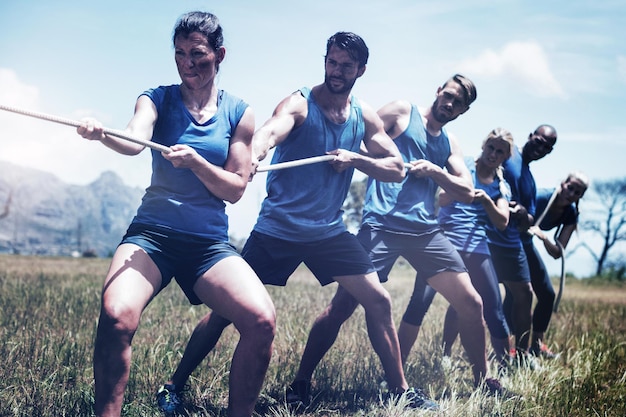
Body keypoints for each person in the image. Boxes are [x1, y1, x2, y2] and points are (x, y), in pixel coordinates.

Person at [159, 32, 439, 411]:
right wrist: (252, 156)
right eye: (332, 62)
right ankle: (174, 384)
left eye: (346, 65)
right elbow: (270, 132)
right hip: (279, 230)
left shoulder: (363, 115)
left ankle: (398, 390)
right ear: (325, 61)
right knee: (225, 313)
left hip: (329, 232)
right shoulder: (300, 103)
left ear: (361, 69)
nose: (337, 71)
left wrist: (356, 159)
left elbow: (395, 168)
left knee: (378, 300)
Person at [76, 11, 276, 417]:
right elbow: (135, 139)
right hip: (152, 237)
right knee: (117, 317)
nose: (188, 63)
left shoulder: (240, 112)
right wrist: (105, 135)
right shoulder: (157, 98)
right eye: (180, 54)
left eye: (197, 54)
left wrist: (198, 164)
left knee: (261, 321)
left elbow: (236, 188)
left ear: (219, 55)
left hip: (208, 245)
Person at [288, 74, 507, 396]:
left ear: (463, 110)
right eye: (448, 95)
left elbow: (466, 190)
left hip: (425, 232)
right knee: (343, 306)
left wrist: (435, 171)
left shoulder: (450, 142)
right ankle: (301, 381)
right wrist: (370, 162)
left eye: (458, 102)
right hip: (381, 226)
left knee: (472, 303)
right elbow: (360, 134)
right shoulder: (403, 112)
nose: (449, 103)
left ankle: (483, 383)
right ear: (438, 90)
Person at [408, 128, 515, 368]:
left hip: (477, 246)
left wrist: (486, 200)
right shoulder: (463, 166)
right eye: (491, 148)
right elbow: (442, 199)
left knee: (493, 308)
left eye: (500, 152)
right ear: (484, 146)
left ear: (505, 157)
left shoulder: (501, 185)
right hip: (443, 239)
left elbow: (502, 222)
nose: (493, 154)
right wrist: (462, 191)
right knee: (420, 302)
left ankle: (506, 365)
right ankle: (440, 357)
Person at [487, 124, 557, 364]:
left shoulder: (530, 179)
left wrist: (524, 213)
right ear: (530, 136)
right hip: (489, 236)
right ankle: (447, 354)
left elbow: (529, 220)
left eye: (547, 147)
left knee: (524, 294)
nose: (541, 148)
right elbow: (487, 175)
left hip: (513, 242)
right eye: (539, 141)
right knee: (475, 295)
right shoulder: (508, 153)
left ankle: (521, 354)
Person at [525, 171, 589, 358]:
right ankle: (513, 346)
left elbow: (557, 253)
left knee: (547, 294)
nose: (571, 194)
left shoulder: (571, 214)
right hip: (514, 240)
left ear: (580, 196)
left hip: (529, 243)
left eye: (577, 192)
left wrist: (544, 238)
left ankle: (537, 346)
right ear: (563, 184)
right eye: (570, 188)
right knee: (519, 293)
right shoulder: (541, 197)